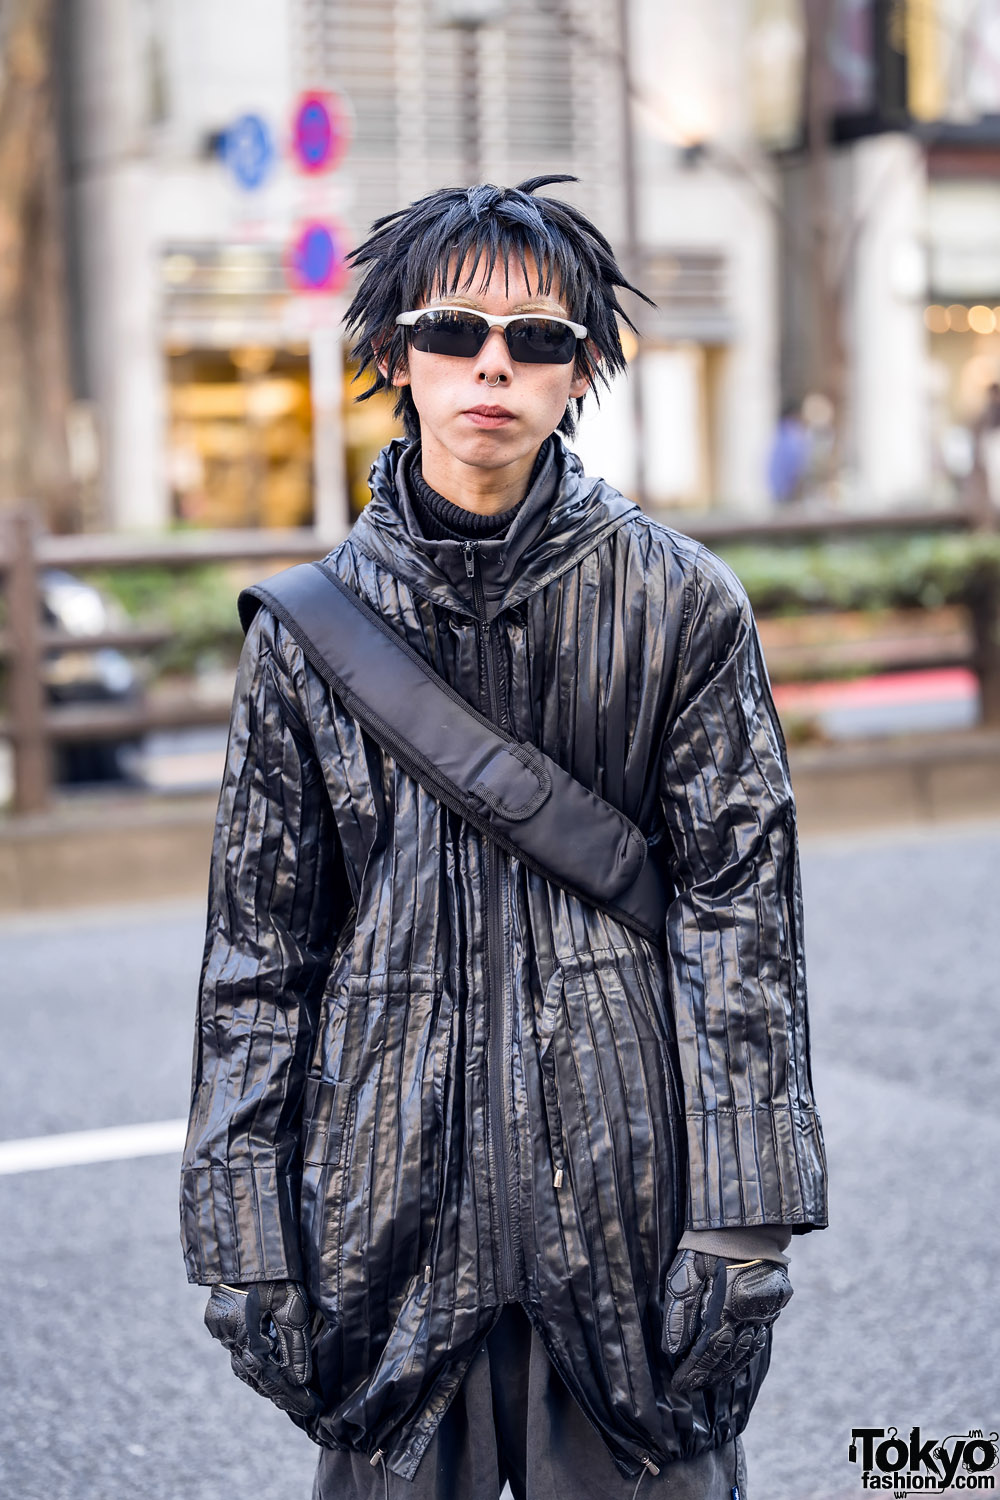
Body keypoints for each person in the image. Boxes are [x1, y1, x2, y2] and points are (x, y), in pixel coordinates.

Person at [180, 176, 828, 1500]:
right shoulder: (305, 637)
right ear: (393, 355)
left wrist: (744, 1224)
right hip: (385, 1214)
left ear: (581, 365)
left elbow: (741, 924)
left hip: (631, 1209)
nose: (495, 365)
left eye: (538, 339)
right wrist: (243, 1234)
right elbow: (260, 958)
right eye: (454, 331)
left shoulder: (681, 604)